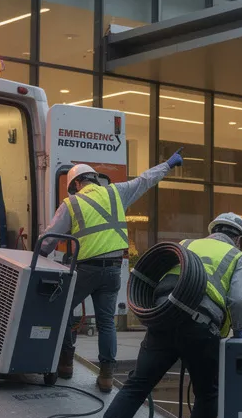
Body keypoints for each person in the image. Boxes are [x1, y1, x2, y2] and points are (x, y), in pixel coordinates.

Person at [84, 212, 242, 418]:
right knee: (207, 392)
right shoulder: (236, 257)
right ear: (239, 238)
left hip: (164, 319)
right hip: (201, 328)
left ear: (213, 230)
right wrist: (241, 330)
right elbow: (240, 301)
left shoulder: (186, 245)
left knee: (137, 384)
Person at [39, 149, 183, 393]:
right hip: (114, 270)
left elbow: (48, 241)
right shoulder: (117, 193)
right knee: (106, 322)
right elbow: (145, 180)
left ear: (76, 183)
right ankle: (106, 376)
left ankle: (64, 364)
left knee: (61, 310)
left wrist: (37, 255)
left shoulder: (71, 203)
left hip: (86, 270)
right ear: (94, 178)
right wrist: (168, 165)